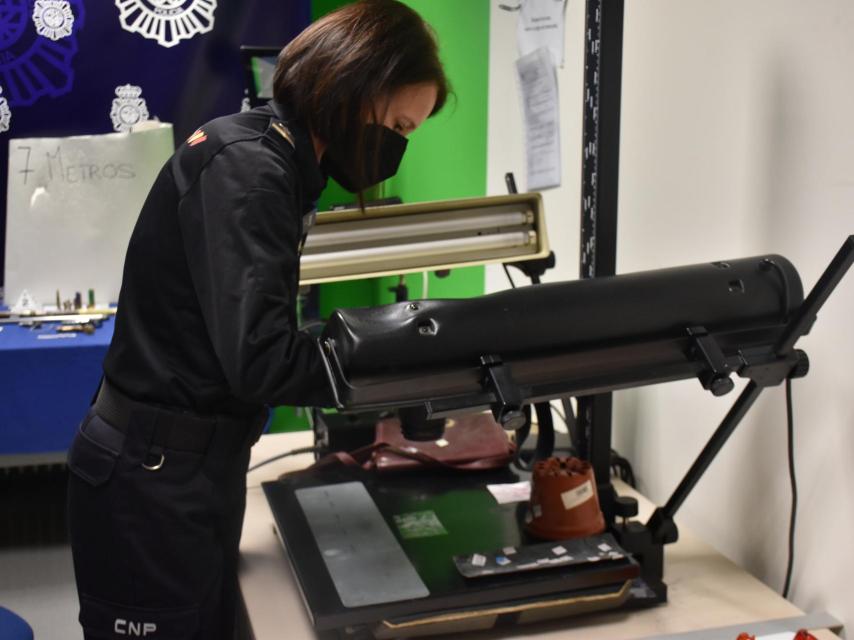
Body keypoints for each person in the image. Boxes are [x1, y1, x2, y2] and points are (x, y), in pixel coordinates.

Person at [66, 1, 449, 638]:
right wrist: (404, 359)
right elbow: (263, 360)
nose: (398, 147)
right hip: (154, 485)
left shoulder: (274, 160)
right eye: (400, 126)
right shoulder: (251, 171)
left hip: (188, 468)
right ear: (355, 84)